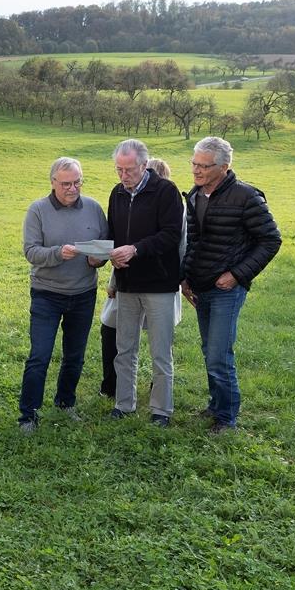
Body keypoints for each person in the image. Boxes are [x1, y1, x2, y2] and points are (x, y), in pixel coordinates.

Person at [181, 137, 281, 434]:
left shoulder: (246, 197)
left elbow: (271, 240)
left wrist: (237, 275)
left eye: (204, 166)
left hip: (227, 289)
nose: (196, 171)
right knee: (208, 350)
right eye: (194, 164)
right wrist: (186, 277)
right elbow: (194, 241)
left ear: (224, 167)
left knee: (218, 354)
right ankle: (215, 406)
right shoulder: (195, 195)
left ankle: (226, 419)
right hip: (200, 287)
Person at [19, 157, 109, 434]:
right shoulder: (38, 210)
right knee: (40, 355)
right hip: (47, 294)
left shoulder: (93, 208)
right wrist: (58, 253)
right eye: (66, 183)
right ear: (53, 183)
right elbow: (31, 252)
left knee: (75, 355)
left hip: (83, 294)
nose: (72, 188)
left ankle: (65, 402)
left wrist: (97, 261)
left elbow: (103, 249)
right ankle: (28, 414)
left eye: (77, 182)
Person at [106, 140, 183, 427]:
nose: (123, 176)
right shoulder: (116, 193)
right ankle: (124, 404)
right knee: (124, 347)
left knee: (160, 351)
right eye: (119, 169)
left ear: (144, 165)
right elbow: (113, 233)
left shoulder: (166, 191)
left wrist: (136, 249)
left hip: (159, 283)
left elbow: (172, 235)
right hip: (127, 283)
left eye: (129, 170)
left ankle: (161, 410)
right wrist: (111, 256)